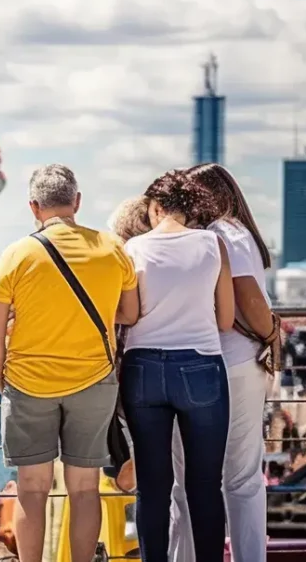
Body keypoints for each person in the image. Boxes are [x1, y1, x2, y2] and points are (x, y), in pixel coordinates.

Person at [0, 164, 139, 562]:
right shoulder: (110, 248)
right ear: (77, 202)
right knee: (85, 489)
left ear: (34, 208)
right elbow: (130, 313)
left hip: (28, 383)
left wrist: (2, 380)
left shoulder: (17, 254)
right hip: (92, 381)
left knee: (31, 488)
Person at [120, 170, 234, 562]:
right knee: (204, 484)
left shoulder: (133, 248)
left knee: (152, 486)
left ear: (154, 208)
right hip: (200, 366)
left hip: (143, 367)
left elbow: (130, 315)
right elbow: (225, 319)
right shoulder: (212, 244)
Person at [169, 163, 278, 562]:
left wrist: (268, 329)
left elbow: (245, 296)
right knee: (244, 477)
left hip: (206, 364)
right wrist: (271, 334)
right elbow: (253, 300)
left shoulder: (217, 233)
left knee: (192, 479)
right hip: (237, 364)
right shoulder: (233, 233)